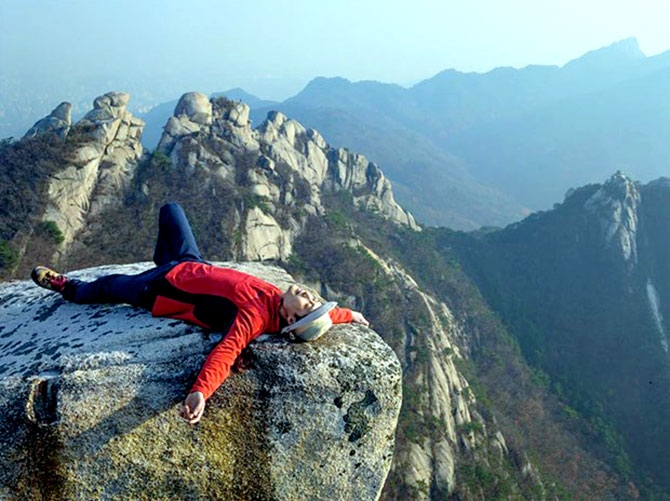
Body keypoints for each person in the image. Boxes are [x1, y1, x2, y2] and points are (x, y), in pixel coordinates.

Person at [31, 202, 368, 424]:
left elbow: (226, 352)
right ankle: (165, 258)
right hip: (191, 264)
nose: (309, 295)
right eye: (313, 298)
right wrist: (348, 315)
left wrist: (200, 392)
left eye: (308, 304)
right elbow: (323, 319)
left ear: (291, 320)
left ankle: (67, 288)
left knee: (108, 286)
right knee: (171, 210)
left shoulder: (254, 317)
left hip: (161, 288)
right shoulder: (283, 301)